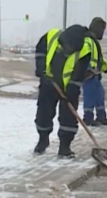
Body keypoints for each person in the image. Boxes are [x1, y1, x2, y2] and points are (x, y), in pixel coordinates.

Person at [33, 23, 93, 158]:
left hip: (69, 87)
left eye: (73, 49)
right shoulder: (51, 37)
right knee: (43, 113)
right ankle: (43, 139)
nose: (70, 50)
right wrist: (41, 69)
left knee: (69, 117)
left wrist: (71, 88)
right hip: (49, 83)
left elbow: (79, 73)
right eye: (69, 47)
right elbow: (40, 53)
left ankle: (65, 146)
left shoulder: (84, 50)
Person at [81, 17, 107, 127]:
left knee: (99, 95)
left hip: (95, 75)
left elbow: (98, 59)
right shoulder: (88, 41)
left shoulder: (94, 42)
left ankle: (101, 117)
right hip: (88, 75)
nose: (103, 33)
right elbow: (84, 56)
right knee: (89, 96)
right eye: (102, 30)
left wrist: (104, 68)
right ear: (97, 29)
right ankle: (88, 118)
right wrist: (87, 69)